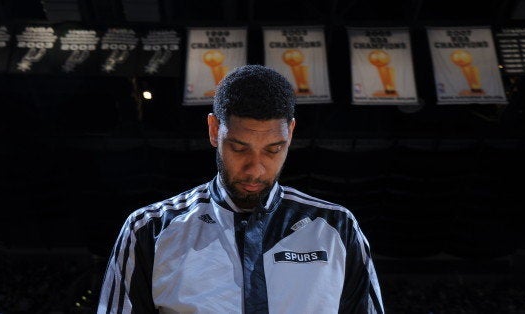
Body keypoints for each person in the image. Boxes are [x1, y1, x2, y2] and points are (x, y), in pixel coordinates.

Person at [98, 64, 384, 313]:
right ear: (214, 130)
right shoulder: (150, 230)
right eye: (239, 148)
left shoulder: (336, 228)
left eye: (274, 149)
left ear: (291, 133)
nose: (256, 169)